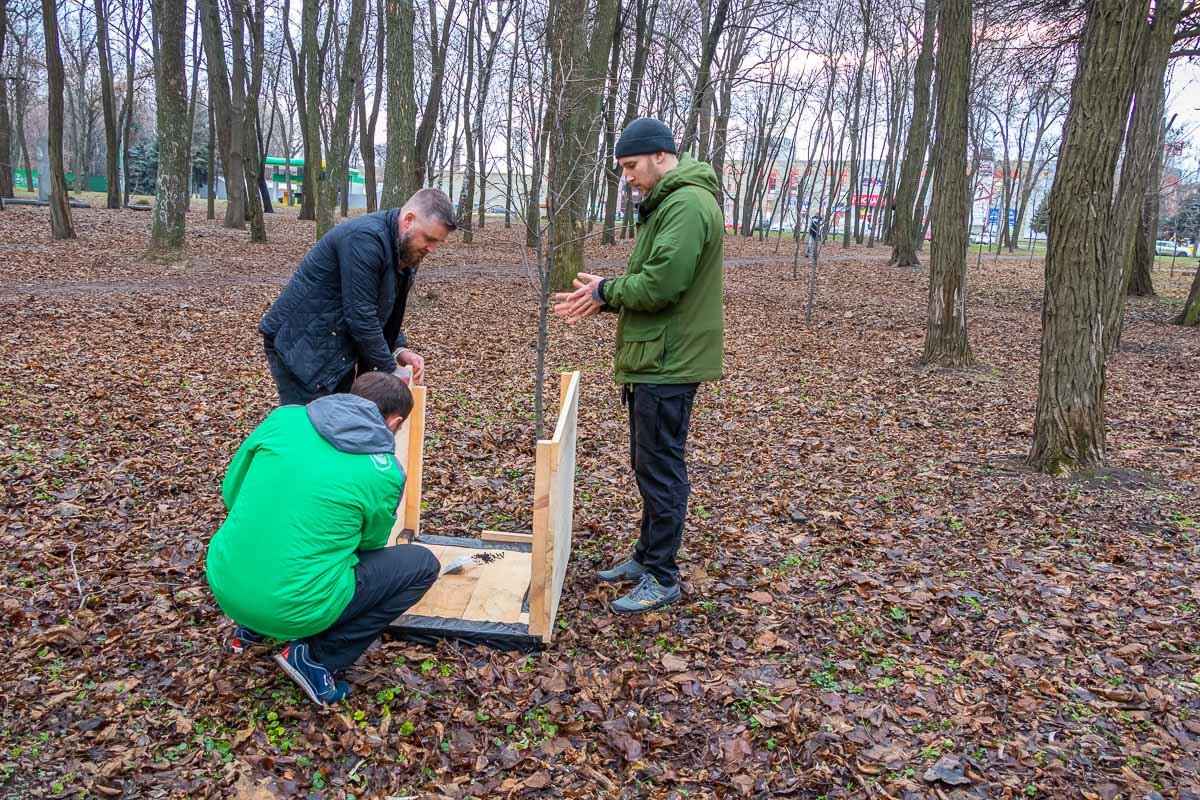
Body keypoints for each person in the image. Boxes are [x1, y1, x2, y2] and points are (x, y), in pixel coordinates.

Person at [552, 117, 724, 615]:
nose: (627, 176)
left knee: (661, 468)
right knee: (650, 464)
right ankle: (647, 558)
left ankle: (663, 575)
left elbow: (660, 286)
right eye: (623, 167)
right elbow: (654, 278)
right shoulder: (673, 201)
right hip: (657, 356)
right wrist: (609, 292)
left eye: (631, 165)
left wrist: (608, 290)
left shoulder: (687, 204)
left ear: (659, 156)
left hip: (668, 362)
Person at [205, 372, 440, 705]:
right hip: (293, 608)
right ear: (394, 421)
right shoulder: (383, 471)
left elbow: (232, 494)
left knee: (278, 538)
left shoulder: (284, 419)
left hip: (224, 581)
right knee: (422, 565)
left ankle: (252, 629)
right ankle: (318, 659)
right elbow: (370, 545)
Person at [259, 189, 457, 406]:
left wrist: (399, 348)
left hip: (334, 341)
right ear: (409, 219)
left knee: (337, 420)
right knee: (309, 427)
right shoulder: (364, 240)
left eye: (437, 242)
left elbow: (383, 307)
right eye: (429, 238)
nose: (432, 248)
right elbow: (361, 315)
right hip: (300, 341)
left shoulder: (406, 249)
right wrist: (390, 369)